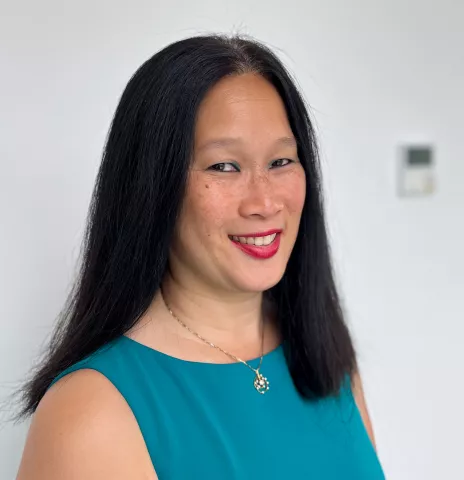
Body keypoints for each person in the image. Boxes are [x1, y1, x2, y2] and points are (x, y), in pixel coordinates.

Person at [15, 34, 385, 479]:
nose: (264, 202)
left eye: (281, 162)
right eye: (224, 167)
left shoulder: (327, 361)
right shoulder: (91, 414)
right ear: (152, 188)